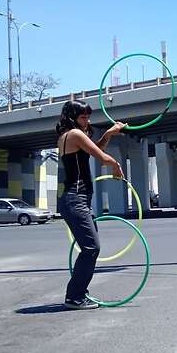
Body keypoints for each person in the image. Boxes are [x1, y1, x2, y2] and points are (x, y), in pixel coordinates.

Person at [57, 100, 126, 310]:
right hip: (75, 199)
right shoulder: (74, 134)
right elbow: (101, 157)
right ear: (72, 118)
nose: (87, 121)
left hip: (78, 200)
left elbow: (95, 150)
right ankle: (74, 297)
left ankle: (78, 294)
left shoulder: (70, 136)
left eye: (88, 117)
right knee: (91, 248)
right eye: (83, 117)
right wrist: (115, 165)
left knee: (91, 249)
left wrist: (109, 134)